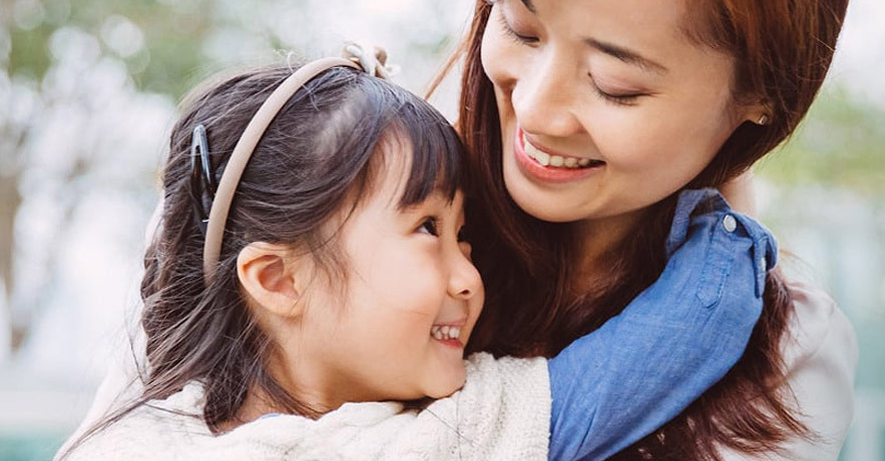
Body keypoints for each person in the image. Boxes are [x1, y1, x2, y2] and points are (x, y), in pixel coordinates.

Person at [58, 49, 775, 461]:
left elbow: (183, 233)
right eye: (428, 229)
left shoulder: (132, 418)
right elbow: (699, 318)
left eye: (465, 237)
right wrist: (716, 207)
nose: (470, 275)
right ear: (277, 276)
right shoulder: (442, 440)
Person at [448, 0, 860, 460]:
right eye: (521, 29)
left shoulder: (786, 357)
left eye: (614, 85)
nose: (534, 108)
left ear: (761, 92)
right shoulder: (365, 219)